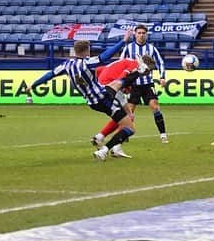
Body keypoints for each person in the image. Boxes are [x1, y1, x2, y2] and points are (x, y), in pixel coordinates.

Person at [26, 31, 151, 161]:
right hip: (103, 99)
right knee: (130, 128)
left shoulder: (66, 65)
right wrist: (123, 41)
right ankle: (104, 150)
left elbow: (49, 75)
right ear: (87, 51)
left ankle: (139, 71)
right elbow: (105, 56)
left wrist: (33, 85)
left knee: (117, 84)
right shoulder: (87, 62)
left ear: (75, 51)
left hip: (93, 100)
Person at [90, 55, 157, 158]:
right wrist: (120, 85)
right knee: (127, 119)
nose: (148, 73)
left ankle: (101, 138)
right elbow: (121, 78)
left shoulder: (127, 62)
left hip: (104, 86)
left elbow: (100, 69)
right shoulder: (134, 65)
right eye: (148, 70)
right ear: (144, 65)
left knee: (122, 115)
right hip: (109, 88)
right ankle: (113, 147)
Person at [120, 24, 169, 143]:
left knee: (155, 106)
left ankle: (163, 135)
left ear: (146, 35)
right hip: (133, 84)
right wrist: (122, 80)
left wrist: (162, 77)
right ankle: (125, 134)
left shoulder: (151, 48)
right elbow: (121, 63)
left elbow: (160, 63)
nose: (141, 35)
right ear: (135, 34)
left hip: (147, 84)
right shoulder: (128, 48)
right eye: (139, 33)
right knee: (129, 111)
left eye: (143, 33)